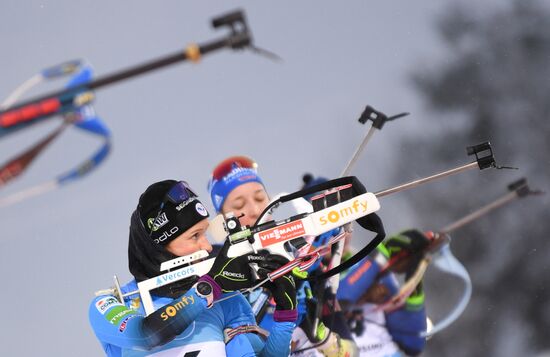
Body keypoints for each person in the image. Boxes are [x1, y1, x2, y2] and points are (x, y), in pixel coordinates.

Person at [89, 179, 297, 356]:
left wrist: (285, 317)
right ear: (159, 246)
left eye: (205, 234)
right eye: (194, 236)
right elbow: (146, 334)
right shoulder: (113, 303)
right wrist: (207, 289)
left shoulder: (225, 300)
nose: (207, 247)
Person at [207, 156, 364, 357]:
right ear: (222, 219)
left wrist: (320, 335)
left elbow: (351, 352)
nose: (255, 210)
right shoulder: (212, 263)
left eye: (260, 198)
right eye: (239, 207)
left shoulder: (303, 252)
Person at [337, 228, 430, 357]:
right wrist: (382, 253)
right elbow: (336, 301)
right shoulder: (306, 275)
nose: (341, 235)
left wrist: (412, 286)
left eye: (346, 227)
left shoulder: (375, 272)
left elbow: (413, 343)